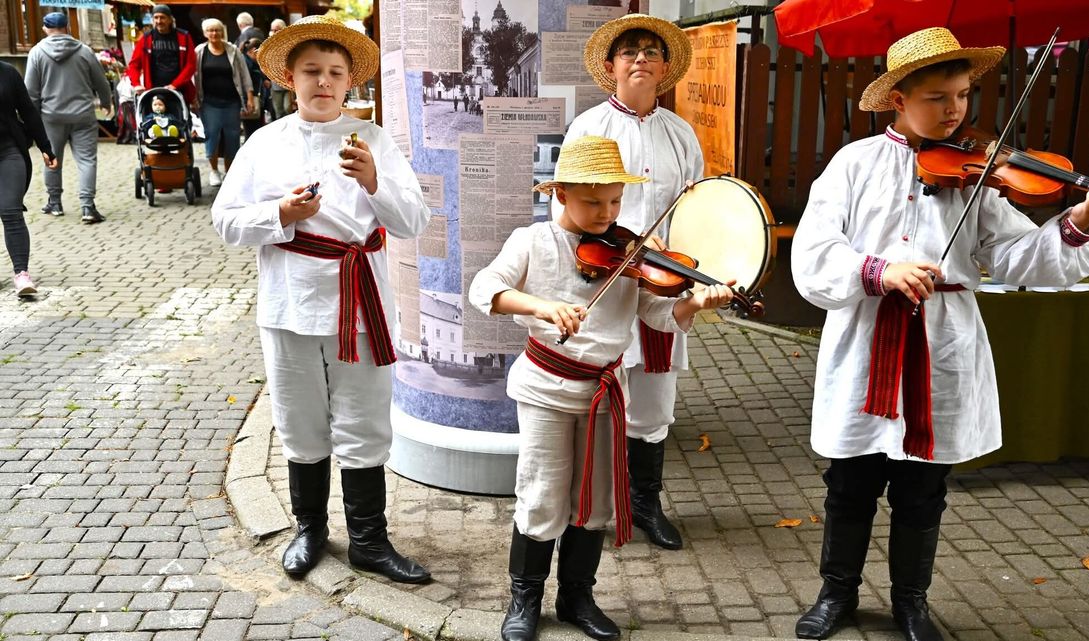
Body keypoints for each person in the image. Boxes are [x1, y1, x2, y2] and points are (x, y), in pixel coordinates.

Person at [789, 28, 1089, 641]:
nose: (955, 111)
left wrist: (1077, 220)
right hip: (867, 338)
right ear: (898, 99)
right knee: (850, 483)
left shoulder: (979, 174)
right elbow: (813, 253)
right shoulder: (853, 164)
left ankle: (910, 602)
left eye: (965, 96)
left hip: (942, 341)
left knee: (923, 487)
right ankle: (836, 593)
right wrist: (880, 269)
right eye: (938, 98)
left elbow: (1022, 257)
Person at [469, 135, 735, 641]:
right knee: (543, 493)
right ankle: (524, 599)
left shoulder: (630, 252)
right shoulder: (532, 242)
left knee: (592, 502)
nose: (607, 213)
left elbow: (658, 315)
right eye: (593, 202)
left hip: (605, 392)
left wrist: (695, 305)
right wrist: (541, 307)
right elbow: (486, 289)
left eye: (615, 201)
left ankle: (577, 597)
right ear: (561, 195)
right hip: (546, 389)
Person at [212, 14, 432, 585]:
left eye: (335, 72)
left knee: (363, 422)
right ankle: (309, 527)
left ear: (350, 80)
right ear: (290, 76)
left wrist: (375, 182)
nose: (324, 82)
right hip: (288, 302)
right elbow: (226, 222)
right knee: (300, 420)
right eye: (312, 71)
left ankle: (369, 540)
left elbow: (414, 221)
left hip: (359, 301)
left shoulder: (374, 140)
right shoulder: (265, 143)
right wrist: (281, 214)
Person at [559, 13, 701, 551]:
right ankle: (590, 502)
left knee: (654, 402)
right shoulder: (590, 126)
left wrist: (677, 252)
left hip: (659, 280)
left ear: (665, 68)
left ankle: (645, 502)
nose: (641, 58)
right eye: (629, 51)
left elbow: (694, 204)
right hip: (601, 274)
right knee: (595, 394)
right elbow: (566, 210)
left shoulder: (681, 132)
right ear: (612, 66)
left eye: (651, 51)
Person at [24, 12, 112, 224]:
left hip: (51, 116)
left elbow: (30, 91)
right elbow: (100, 81)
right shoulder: (84, 51)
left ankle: (54, 202)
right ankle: (88, 207)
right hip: (83, 115)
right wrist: (106, 102)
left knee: (52, 159)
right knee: (87, 160)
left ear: (45, 28)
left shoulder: (37, 53)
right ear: (67, 28)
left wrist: (32, 119)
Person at [0, 61, 57, 298]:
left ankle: (21, 275)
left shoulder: (8, 73)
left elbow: (28, 111)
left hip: (9, 151)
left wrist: (46, 146)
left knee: (10, 210)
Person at [194, 18, 254, 187]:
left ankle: (230, 173)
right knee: (212, 134)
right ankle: (214, 171)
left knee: (232, 137)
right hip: (209, 102)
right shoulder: (199, 51)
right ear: (205, 33)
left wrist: (249, 97)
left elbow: (244, 75)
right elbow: (194, 76)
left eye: (217, 30)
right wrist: (193, 97)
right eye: (211, 30)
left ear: (222, 32)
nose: (214, 33)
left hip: (231, 102)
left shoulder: (233, 50)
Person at [126, 5, 196, 105]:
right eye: (156, 17)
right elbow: (134, 65)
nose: (159, 21)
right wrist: (136, 84)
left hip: (179, 91)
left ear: (170, 19)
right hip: (154, 92)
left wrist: (174, 85)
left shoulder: (183, 37)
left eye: (162, 17)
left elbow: (191, 65)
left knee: (181, 119)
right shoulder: (146, 39)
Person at [240, 37, 268, 139]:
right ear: (253, 50)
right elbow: (245, 82)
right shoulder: (246, 62)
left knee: (255, 129)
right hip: (250, 100)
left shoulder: (253, 63)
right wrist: (249, 99)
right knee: (251, 130)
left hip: (256, 99)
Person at [267, 19, 294, 121]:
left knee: (288, 108)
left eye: (276, 30)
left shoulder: (290, 43)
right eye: (272, 30)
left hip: (288, 84)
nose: (274, 32)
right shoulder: (268, 45)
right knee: (278, 110)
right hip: (275, 84)